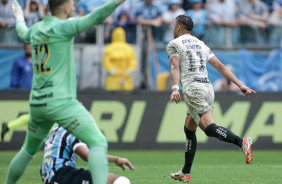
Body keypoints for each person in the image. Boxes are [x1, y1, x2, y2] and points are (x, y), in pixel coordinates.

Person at [5, 0, 126, 184]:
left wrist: (19, 15)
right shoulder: (64, 27)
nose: (74, 7)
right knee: (98, 142)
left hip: (37, 103)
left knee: (27, 151)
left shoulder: (36, 29)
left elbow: (21, 31)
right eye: (72, 4)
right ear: (67, 8)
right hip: (60, 102)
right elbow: (97, 16)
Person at [166, 15, 256, 183]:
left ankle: (242, 142)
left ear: (178, 28)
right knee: (189, 128)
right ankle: (185, 172)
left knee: (209, 128)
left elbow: (175, 66)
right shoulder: (201, 44)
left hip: (193, 89)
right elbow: (220, 66)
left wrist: (174, 88)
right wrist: (240, 84)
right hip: (208, 88)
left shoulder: (174, 44)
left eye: (173, 25)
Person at [41, 124, 134, 184]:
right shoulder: (72, 130)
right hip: (64, 175)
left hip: (52, 179)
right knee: (121, 180)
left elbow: (42, 168)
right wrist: (116, 159)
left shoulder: (54, 130)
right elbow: (88, 156)